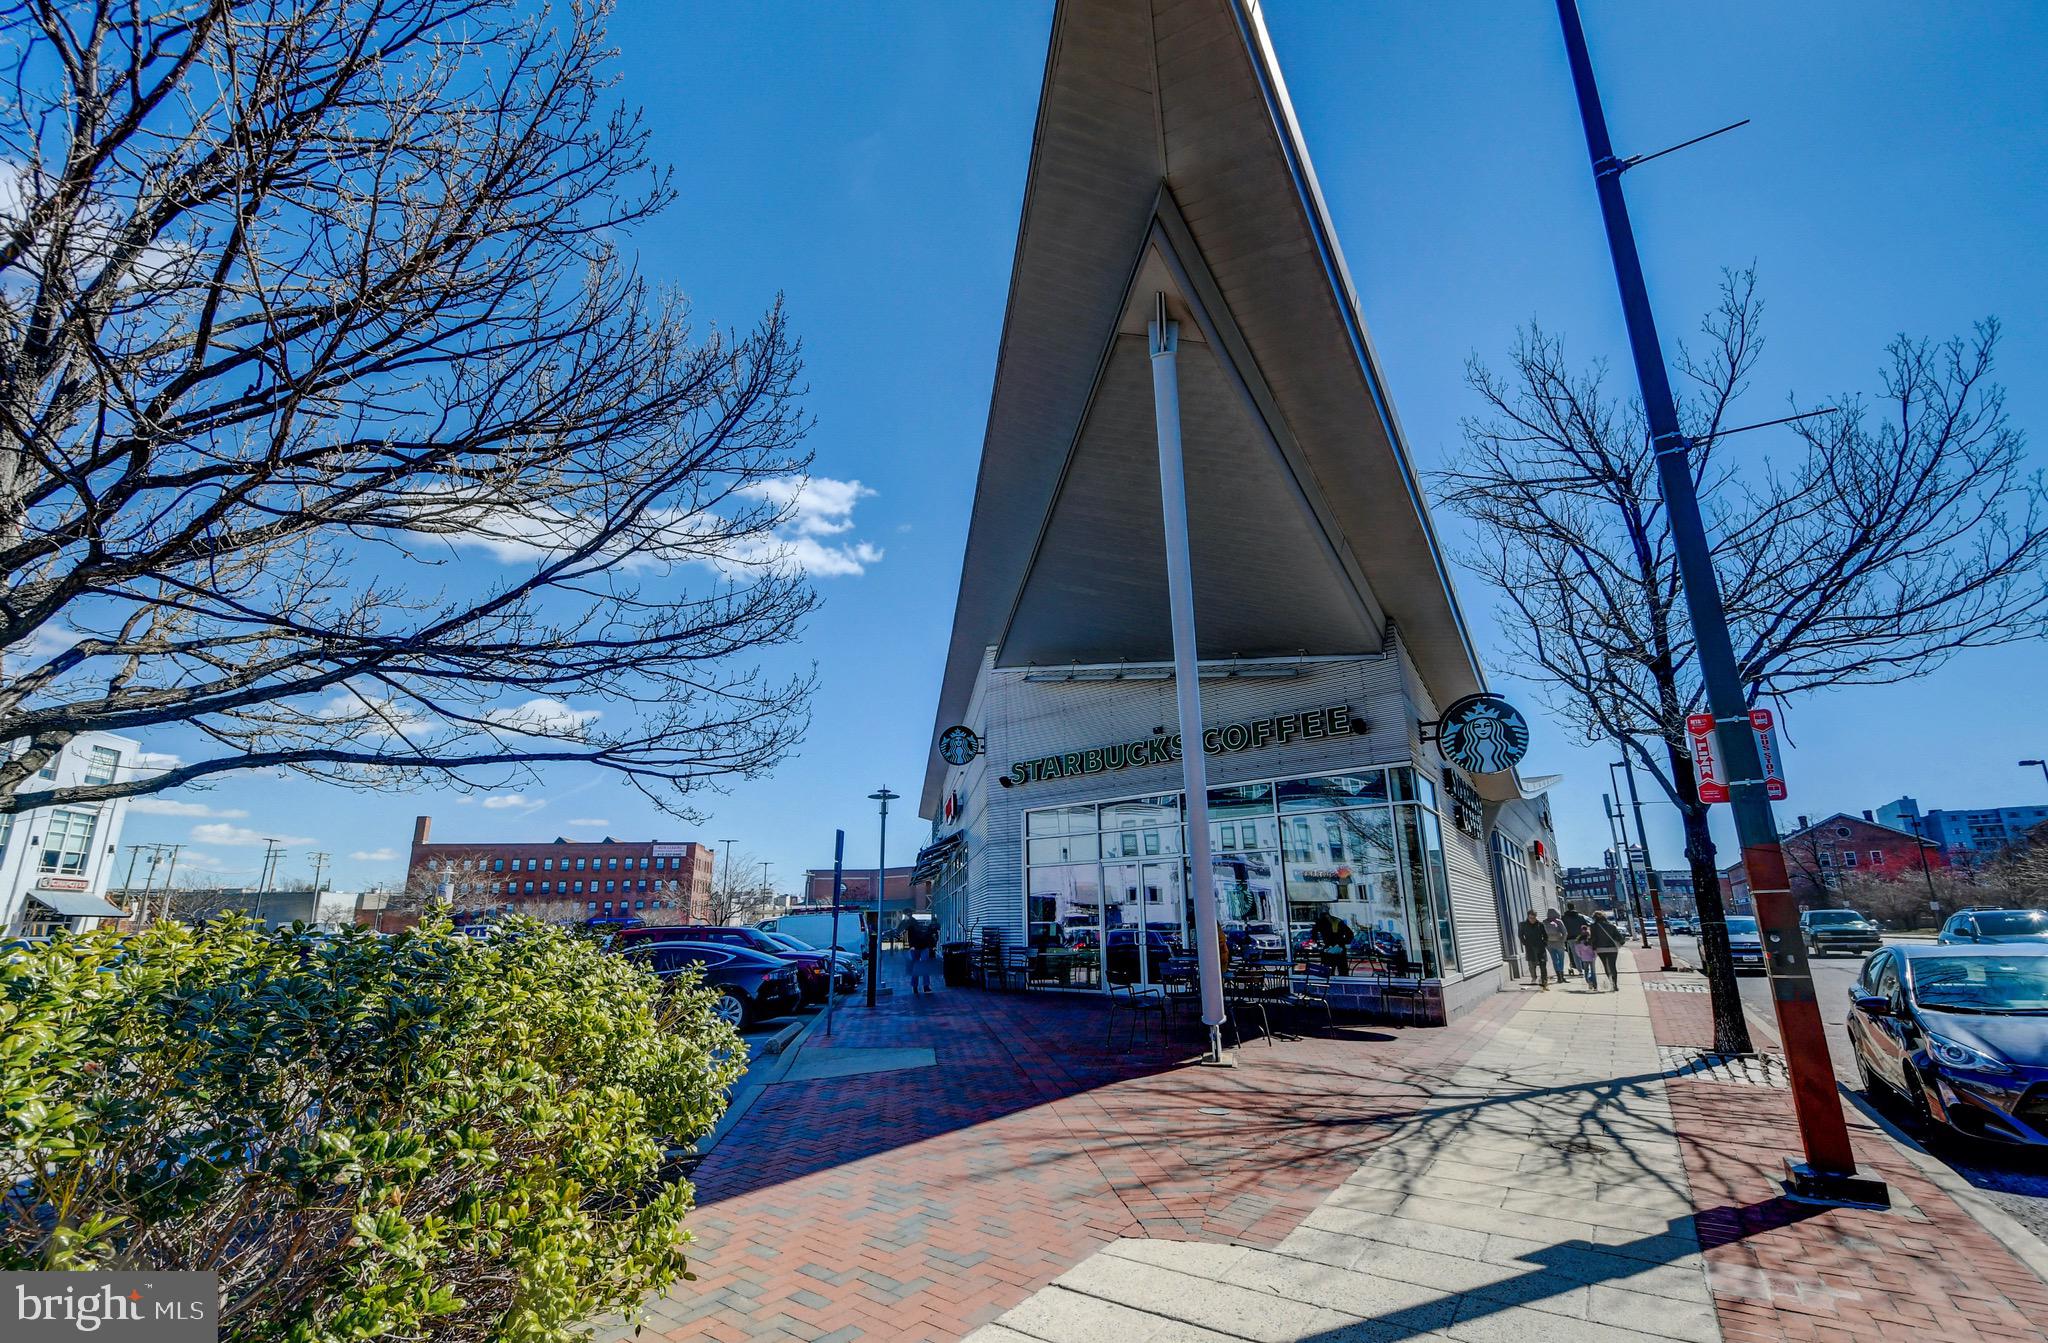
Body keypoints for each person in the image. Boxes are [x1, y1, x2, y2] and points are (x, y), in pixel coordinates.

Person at [902, 914, 939, 995]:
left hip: (919, 947)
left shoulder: (913, 926)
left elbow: (909, 936)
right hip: (920, 947)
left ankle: (920, 986)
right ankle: (922, 986)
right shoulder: (916, 926)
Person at [1591, 911, 1626, 992]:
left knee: (1606, 966)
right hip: (1612, 949)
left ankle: (1611, 982)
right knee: (1612, 966)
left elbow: (1593, 938)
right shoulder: (1611, 926)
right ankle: (1615, 984)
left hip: (1600, 949)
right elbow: (1620, 938)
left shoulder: (1593, 927)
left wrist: (1593, 946)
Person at [1313, 908, 1353, 977]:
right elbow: (1350, 935)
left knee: (1328, 973)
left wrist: (1318, 943)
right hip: (1338, 948)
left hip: (1329, 949)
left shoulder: (1321, 922)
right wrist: (1341, 943)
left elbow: (1314, 934)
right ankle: (1344, 985)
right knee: (1342, 972)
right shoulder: (1336, 921)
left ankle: (1331, 985)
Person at [1517, 909, 1550, 990]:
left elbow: (1545, 935)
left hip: (1540, 946)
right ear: (1528, 917)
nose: (1532, 920)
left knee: (1542, 963)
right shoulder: (1522, 925)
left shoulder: (1540, 925)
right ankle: (1534, 978)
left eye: (1534, 918)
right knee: (1532, 964)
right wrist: (1525, 943)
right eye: (1530, 918)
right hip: (1530, 947)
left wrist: (1545, 943)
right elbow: (1520, 935)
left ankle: (1544, 980)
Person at [1543, 909, 1569, 984]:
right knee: (1561, 959)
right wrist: (1563, 940)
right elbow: (1565, 932)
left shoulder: (1544, 922)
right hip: (1559, 942)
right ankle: (1562, 976)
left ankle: (1558, 977)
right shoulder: (1558, 921)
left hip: (1549, 943)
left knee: (1554, 960)